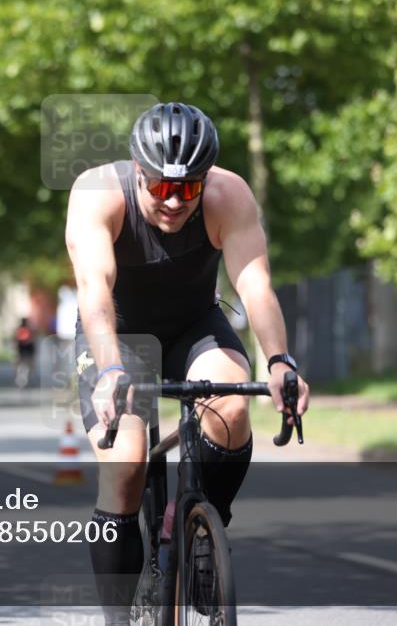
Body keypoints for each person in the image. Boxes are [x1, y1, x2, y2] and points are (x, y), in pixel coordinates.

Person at [65, 102, 311, 624]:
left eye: (188, 188)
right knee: (127, 464)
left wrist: (280, 361)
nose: (174, 201)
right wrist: (110, 370)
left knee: (232, 405)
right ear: (137, 172)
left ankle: (203, 529)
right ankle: (116, 618)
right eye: (159, 188)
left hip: (194, 325)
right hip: (118, 333)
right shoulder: (97, 194)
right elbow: (94, 291)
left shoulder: (229, 194)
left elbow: (255, 285)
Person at [14, 317, 35, 388]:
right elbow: (33, 341)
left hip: (21, 349)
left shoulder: (18, 329)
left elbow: (15, 340)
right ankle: (24, 378)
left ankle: (20, 378)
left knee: (20, 364)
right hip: (28, 349)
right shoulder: (30, 329)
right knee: (27, 364)